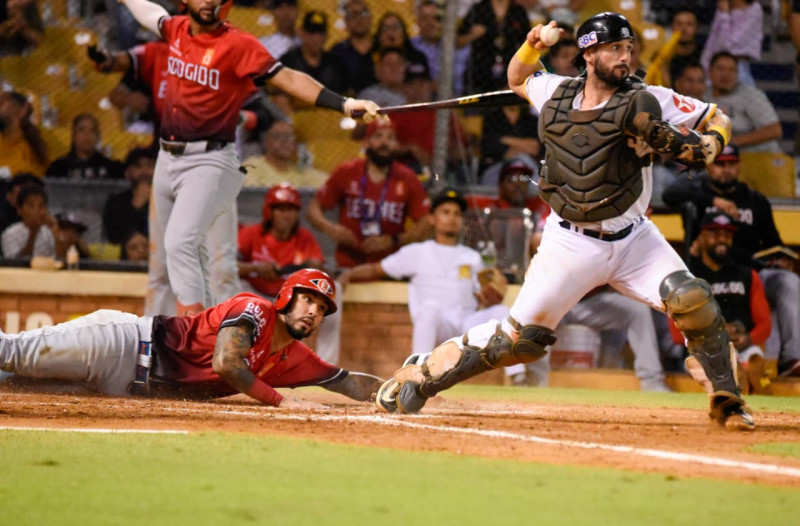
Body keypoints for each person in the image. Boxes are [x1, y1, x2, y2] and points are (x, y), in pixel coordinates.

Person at [375, 13, 754, 431]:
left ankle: (728, 401)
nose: (625, 57)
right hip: (571, 242)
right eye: (615, 48)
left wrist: (709, 144)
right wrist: (533, 45)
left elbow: (717, 118)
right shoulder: (555, 91)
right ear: (589, 53)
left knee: (692, 300)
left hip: (635, 239)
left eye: (628, 48)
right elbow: (518, 77)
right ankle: (423, 374)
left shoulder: (649, 97)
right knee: (517, 343)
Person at [114, 0, 379, 317]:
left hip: (208, 158)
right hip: (167, 156)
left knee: (182, 244)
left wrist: (345, 104)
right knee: (165, 263)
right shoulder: (177, 29)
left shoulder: (238, 44)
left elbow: (289, 79)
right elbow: (151, 14)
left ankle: (194, 331)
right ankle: (162, 337)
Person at [0, 269, 383, 409]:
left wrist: (399, 388)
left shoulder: (294, 357)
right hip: (122, 345)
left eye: (322, 307)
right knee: (12, 354)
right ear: (286, 297)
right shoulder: (254, 309)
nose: (314, 310)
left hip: (122, 389)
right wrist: (282, 401)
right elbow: (226, 363)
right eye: (307, 299)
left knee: (9, 384)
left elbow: (347, 382)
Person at [662, 145, 800, 378]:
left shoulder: (755, 201)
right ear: (709, 167)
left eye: (731, 164)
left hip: (749, 275)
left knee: (788, 281)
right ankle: (679, 355)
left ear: (739, 165)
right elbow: (669, 195)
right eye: (720, 164)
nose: (726, 169)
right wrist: (714, 201)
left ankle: (790, 358)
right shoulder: (698, 196)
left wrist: (780, 259)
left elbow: (773, 244)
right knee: (668, 288)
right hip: (705, 276)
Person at [306, 119, 432, 364]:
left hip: (388, 269)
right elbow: (313, 210)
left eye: (390, 138)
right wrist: (333, 229)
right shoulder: (347, 171)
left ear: (397, 145)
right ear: (367, 141)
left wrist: (394, 239)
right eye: (378, 136)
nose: (384, 143)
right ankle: (323, 366)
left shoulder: (407, 177)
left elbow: (427, 223)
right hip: (347, 264)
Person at [338, 188, 505, 356]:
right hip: (436, 323)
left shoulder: (472, 257)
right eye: (445, 212)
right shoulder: (416, 251)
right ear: (432, 219)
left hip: (466, 323)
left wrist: (488, 298)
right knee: (428, 309)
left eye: (457, 214)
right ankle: (419, 366)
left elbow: (483, 293)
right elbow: (376, 269)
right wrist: (348, 275)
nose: (452, 218)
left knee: (502, 312)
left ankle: (516, 371)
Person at [672, 211, 772, 393]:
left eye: (727, 234)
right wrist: (715, 335)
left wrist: (748, 338)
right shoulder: (688, 278)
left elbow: (764, 323)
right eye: (715, 233)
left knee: (756, 363)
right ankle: (735, 378)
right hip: (702, 351)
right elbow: (676, 332)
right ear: (701, 237)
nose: (722, 239)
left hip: (744, 347)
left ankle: (754, 388)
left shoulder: (748, 276)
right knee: (731, 370)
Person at [238, 183, 324, 298]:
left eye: (290, 210)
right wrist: (256, 268)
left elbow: (318, 265)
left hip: (289, 299)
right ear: (269, 212)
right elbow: (228, 266)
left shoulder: (304, 237)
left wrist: (307, 267)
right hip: (252, 296)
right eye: (281, 210)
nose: (286, 216)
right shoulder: (251, 233)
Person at [704, 51, 782, 154]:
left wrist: (733, 142)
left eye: (732, 70)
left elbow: (774, 130)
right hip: (721, 157)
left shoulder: (751, 95)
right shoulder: (704, 96)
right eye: (720, 69)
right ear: (709, 72)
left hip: (761, 155)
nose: (726, 74)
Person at [457, 0, 530, 94]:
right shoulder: (478, 9)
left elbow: (527, 41)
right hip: (480, 71)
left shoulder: (518, 11)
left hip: (509, 70)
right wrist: (471, 35)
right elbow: (458, 41)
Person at [278, 11, 349, 96]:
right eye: (311, 33)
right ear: (301, 33)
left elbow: (346, 94)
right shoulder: (288, 61)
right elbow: (278, 95)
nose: (315, 38)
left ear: (327, 36)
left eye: (320, 33)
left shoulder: (336, 63)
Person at [242, 120, 327, 189]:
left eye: (290, 137)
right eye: (279, 136)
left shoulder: (300, 173)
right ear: (266, 142)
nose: (285, 141)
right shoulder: (252, 167)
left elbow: (327, 183)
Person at [409, 0, 470, 95]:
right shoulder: (410, 46)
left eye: (436, 18)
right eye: (424, 18)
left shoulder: (459, 48)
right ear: (417, 22)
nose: (430, 23)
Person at [701, 0, 763, 86]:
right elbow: (713, 41)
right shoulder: (724, 7)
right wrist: (704, 65)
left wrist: (724, 15)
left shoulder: (754, 9)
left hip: (738, 67)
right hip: (714, 65)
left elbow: (727, 45)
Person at [45, 113, 124, 180]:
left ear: (97, 137)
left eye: (92, 130)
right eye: (81, 129)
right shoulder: (58, 169)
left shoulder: (112, 168)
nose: (87, 134)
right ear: (73, 136)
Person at [103, 146, 155, 245]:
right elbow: (114, 237)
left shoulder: (166, 200)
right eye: (138, 166)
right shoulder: (116, 202)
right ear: (127, 172)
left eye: (150, 165)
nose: (144, 171)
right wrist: (137, 206)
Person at [329, 0, 375, 94]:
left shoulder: (381, 47)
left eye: (364, 13)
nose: (359, 18)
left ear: (371, 18)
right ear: (346, 20)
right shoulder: (337, 52)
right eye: (354, 14)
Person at [0, 91, 47, 179]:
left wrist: (18, 122)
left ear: (17, 108)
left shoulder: (32, 141)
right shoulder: (2, 139)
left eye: (2, 103)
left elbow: (31, 171)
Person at [1, 183, 54, 258]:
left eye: (41, 206)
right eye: (31, 206)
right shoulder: (9, 234)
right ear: (19, 210)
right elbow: (16, 262)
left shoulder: (48, 232)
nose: (36, 211)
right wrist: (33, 234)